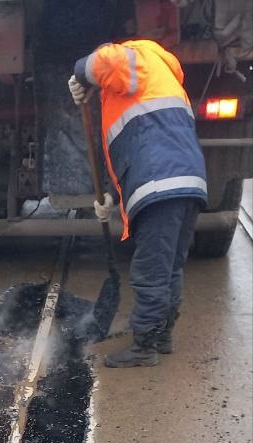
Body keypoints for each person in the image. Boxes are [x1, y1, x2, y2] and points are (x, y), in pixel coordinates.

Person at [68, 40, 208, 368]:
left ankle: (144, 346)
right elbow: (140, 145)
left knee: (150, 272)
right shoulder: (163, 80)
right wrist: (113, 198)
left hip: (161, 184)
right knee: (170, 266)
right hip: (189, 182)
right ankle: (162, 336)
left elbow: (107, 60)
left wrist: (78, 73)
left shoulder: (134, 59)